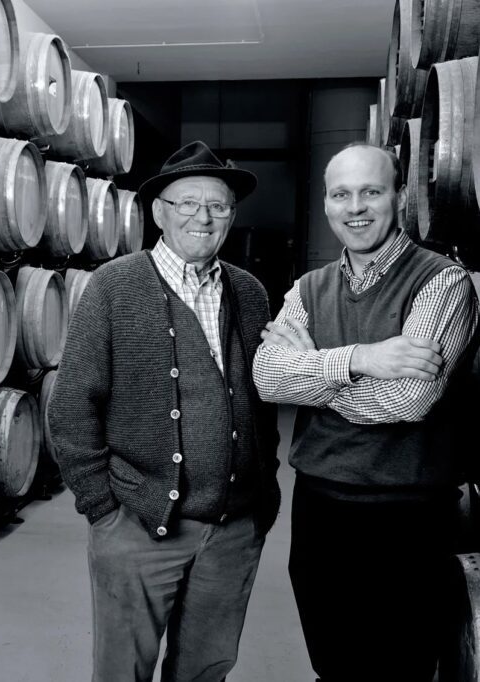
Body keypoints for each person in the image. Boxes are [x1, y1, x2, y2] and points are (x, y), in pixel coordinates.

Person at [48, 140, 281, 682]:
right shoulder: (113, 286)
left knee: (206, 669)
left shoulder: (249, 293)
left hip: (232, 527)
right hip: (139, 524)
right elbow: (71, 407)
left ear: (231, 216)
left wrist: (262, 497)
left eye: (218, 206)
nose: (203, 217)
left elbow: (262, 402)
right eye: (187, 203)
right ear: (159, 212)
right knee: (122, 671)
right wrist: (103, 508)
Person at [253, 143, 479, 681]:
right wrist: (361, 359)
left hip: (407, 513)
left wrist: (312, 369)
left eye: (371, 192)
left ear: (398, 197)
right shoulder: (309, 287)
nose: (356, 207)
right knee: (333, 662)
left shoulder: (441, 281)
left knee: (399, 666)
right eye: (341, 194)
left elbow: (408, 400)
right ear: (327, 205)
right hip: (320, 504)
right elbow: (266, 378)